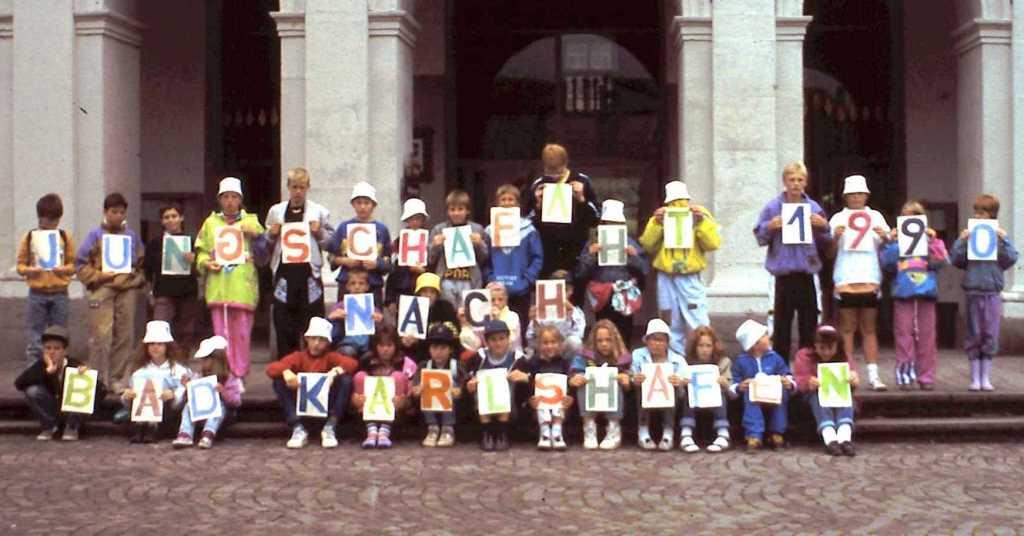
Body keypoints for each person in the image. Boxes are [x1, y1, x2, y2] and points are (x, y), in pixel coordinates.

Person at [753, 161, 831, 362]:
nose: (796, 184)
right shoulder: (772, 207)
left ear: (805, 182)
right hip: (783, 276)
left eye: (800, 180)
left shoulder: (813, 207)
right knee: (781, 325)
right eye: (792, 180)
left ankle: (806, 365)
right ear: (784, 182)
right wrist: (770, 226)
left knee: (809, 324)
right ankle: (780, 368)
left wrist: (824, 227)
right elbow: (760, 237)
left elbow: (826, 244)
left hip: (806, 274)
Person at [194, 177, 265, 380]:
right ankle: (223, 374)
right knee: (221, 335)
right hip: (218, 287)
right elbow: (202, 252)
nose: (230, 201)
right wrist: (206, 263)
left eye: (234, 197)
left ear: (240, 199)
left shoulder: (250, 220)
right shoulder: (210, 223)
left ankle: (240, 374)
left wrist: (254, 232)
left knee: (242, 334)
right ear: (219, 199)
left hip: (242, 287)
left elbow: (264, 243)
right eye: (226, 197)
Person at [639, 181, 721, 356]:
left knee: (696, 318)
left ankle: (702, 357)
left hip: (689, 276)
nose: (678, 205)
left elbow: (713, 243)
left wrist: (700, 223)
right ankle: (677, 357)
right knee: (670, 319)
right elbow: (647, 244)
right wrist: (657, 224)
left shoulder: (700, 214)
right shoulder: (661, 217)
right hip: (666, 276)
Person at [76, 192, 146, 393]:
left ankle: (116, 378)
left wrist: (136, 278)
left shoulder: (132, 237)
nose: (118, 216)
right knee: (101, 335)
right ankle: (98, 379)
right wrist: (99, 275)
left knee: (124, 335)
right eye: (114, 212)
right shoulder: (94, 236)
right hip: (102, 289)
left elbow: (141, 263)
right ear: (105, 212)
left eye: (122, 212)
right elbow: (81, 264)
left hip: (127, 289)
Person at [262, 167, 335, 358]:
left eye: (302, 187)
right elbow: (265, 244)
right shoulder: (276, 211)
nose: (298, 192)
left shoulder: (319, 211)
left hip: (309, 275)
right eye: (294, 187)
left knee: (313, 322)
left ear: (308, 187)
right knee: (284, 323)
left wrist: (319, 232)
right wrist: (271, 234)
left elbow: (332, 243)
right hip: (284, 275)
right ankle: (287, 367)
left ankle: (314, 367)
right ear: (288, 187)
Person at [951, 194, 1019, 391]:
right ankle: (975, 377)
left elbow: (1011, 258)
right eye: (977, 213)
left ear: (992, 215)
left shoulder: (997, 238)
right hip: (973, 290)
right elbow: (956, 260)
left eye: (984, 213)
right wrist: (961, 241)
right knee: (974, 332)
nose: (979, 217)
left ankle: (985, 376)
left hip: (992, 291)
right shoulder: (970, 236)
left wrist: (1004, 239)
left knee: (990, 332)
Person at [829, 175, 890, 391]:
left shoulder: (876, 217)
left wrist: (885, 237)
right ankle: (847, 373)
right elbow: (829, 253)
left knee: (869, 328)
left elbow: (888, 249)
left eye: (860, 193)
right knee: (846, 328)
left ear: (866, 195)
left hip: (870, 277)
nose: (856, 197)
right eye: (852, 194)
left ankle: (873, 375)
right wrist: (835, 238)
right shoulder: (837, 218)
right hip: (845, 277)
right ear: (846, 196)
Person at [880, 200, 949, 390]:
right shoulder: (896, 242)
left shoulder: (930, 241)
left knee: (927, 336)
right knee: (904, 335)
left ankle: (926, 377)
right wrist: (892, 242)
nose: (910, 220)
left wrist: (933, 241)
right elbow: (886, 263)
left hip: (926, 292)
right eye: (906, 216)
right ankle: (905, 376)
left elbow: (942, 262)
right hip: (903, 292)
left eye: (915, 216)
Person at [265, 317, 359, 449]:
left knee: (346, 380)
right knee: (278, 381)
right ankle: (297, 427)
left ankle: (330, 426)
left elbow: (352, 363)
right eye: (313, 338)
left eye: (321, 340)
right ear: (307, 339)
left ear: (327, 343)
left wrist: (335, 371)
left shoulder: (330, 357)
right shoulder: (298, 357)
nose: (316, 343)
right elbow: (271, 368)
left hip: (326, 405)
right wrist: (286, 372)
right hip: (302, 405)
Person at [576, 199, 649, 344]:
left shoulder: (630, 243)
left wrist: (633, 257)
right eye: (608, 223)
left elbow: (644, 270)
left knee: (624, 331)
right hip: (601, 295)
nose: (612, 226)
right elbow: (580, 273)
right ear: (602, 224)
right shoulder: (593, 243)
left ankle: (624, 362)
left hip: (624, 295)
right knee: (603, 331)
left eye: (616, 223)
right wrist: (591, 256)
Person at [522, 144, 599, 281]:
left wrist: (582, 199)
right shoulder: (538, 184)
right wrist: (538, 205)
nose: (555, 176)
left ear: (566, 163)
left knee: (575, 298)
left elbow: (595, 219)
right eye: (550, 172)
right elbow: (525, 223)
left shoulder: (582, 181)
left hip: (576, 252)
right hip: (547, 253)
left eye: (558, 171)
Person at [14, 326, 105, 441]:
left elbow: (101, 389)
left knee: (83, 386)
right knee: (32, 391)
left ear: (65, 351)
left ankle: (72, 427)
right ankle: (49, 426)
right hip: (52, 409)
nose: (52, 352)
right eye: (48, 348)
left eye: (57, 348)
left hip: (71, 413)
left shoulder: (74, 364)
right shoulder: (41, 365)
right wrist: (46, 372)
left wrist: (87, 375)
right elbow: (19, 383)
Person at [16, 194, 76, 367]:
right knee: (35, 335)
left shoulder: (64, 237)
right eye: (49, 220)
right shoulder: (29, 237)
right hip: (37, 292)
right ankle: (35, 370)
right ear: (40, 217)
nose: (53, 224)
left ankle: (59, 369)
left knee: (60, 333)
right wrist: (30, 270)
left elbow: (73, 265)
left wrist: (63, 269)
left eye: (56, 220)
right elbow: (20, 265)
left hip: (60, 293)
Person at [143, 202, 202, 352]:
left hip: (187, 293)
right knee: (161, 331)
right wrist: (150, 293)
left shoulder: (192, 241)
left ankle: (182, 366)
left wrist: (194, 261)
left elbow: (201, 269)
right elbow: (147, 271)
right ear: (162, 221)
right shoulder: (155, 244)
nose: (170, 220)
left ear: (181, 218)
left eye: (174, 216)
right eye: (166, 217)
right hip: (163, 293)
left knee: (186, 333)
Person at [119, 321, 190, 444]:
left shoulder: (178, 370)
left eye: (160, 344)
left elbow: (184, 392)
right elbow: (130, 399)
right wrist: (126, 396)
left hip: (167, 415)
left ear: (167, 346)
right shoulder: (139, 372)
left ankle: (154, 430)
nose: (155, 347)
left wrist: (174, 395)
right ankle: (139, 429)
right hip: (140, 415)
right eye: (151, 344)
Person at [793, 325, 859, 456]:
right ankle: (829, 438)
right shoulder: (803, 356)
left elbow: (853, 375)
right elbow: (798, 380)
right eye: (822, 348)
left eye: (830, 348)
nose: (826, 352)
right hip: (811, 398)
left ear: (837, 346)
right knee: (818, 397)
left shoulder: (844, 356)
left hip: (839, 395)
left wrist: (853, 379)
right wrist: (808, 382)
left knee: (847, 398)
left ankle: (845, 437)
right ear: (815, 345)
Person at [464, 320, 529, 451]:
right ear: (487, 342)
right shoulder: (478, 358)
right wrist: (470, 385)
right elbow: (467, 378)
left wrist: (525, 378)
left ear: (508, 339)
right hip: (482, 408)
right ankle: (486, 433)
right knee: (481, 385)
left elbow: (530, 385)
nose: (498, 343)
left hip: (510, 408)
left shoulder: (518, 359)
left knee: (507, 386)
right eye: (493, 339)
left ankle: (502, 433)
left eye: (502, 338)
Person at [731, 319, 795, 452]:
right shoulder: (741, 361)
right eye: (765, 336)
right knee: (750, 393)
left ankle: (777, 432)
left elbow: (785, 372)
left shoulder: (774, 357)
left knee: (781, 393)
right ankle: (754, 434)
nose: (769, 337)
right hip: (753, 398)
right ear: (755, 344)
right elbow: (734, 381)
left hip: (773, 395)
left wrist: (787, 381)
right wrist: (739, 386)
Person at [485, 183, 543, 326]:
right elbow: (484, 259)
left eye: (511, 199)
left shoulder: (528, 230)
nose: (507, 203)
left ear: (518, 204)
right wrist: (491, 279)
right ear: (497, 204)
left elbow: (537, 258)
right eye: (503, 200)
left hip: (520, 291)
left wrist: (527, 280)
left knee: (520, 327)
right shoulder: (489, 231)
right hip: (496, 293)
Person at [568, 320, 631, 450]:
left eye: (608, 340)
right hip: (592, 396)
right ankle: (589, 427)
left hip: (614, 399)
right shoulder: (585, 356)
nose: (604, 344)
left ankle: (614, 428)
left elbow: (630, 377)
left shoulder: (622, 357)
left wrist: (626, 379)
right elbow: (574, 372)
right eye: (600, 340)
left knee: (616, 382)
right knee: (583, 382)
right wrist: (575, 378)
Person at [326, 181, 392, 304]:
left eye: (366, 203)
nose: (362, 207)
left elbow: (388, 263)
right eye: (359, 203)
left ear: (373, 205)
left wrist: (377, 264)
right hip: (347, 284)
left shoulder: (382, 230)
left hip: (373, 284)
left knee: (373, 320)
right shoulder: (343, 228)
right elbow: (331, 257)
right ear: (353, 204)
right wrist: (344, 261)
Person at [172, 335, 243, 449]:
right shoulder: (198, 377)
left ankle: (208, 434)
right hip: (200, 413)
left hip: (221, 417)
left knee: (220, 405)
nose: (203, 363)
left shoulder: (229, 379)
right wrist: (187, 388)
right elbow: (184, 400)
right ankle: (185, 434)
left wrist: (223, 392)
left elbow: (236, 401)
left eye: (206, 359)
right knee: (188, 406)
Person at [351, 328, 415, 449]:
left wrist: (404, 401)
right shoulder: (367, 361)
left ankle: (385, 431)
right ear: (376, 346)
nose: (385, 349)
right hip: (368, 411)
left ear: (396, 346)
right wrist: (355, 399)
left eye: (389, 345)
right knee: (360, 376)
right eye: (381, 345)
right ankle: (371, 431)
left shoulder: (406, 363)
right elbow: (356, 385)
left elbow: (412, 391)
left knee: (398, 376)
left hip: (397, 412)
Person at [630, 319, 687, 451]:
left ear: (667, 342)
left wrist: (678, 380)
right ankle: (643, 429)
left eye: (661, 340)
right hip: (646, 395)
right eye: (653, 339)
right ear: (647, 341)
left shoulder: (677, 359)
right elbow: (633, 373)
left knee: (671, 390)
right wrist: (636, 378)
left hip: (671, 396)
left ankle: (668, 430)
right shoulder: (638, 355)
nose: (657, 344)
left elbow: (686, 377)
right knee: (641, 389)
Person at [427, 189, 491, 307]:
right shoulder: (438, 229)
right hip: (446, 279)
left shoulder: (477, 229)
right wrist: (435, 246)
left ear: (468, 211)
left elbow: (484, 259)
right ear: (447, 211)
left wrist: (480, 244)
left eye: (460, 209)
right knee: (449, 313)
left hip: (470, 279)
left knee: (468, 314)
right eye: (452, 209)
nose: (456, 213)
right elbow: (430, 259)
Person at [677, 326, 734, 453]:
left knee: (720, 394)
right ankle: (686, 433)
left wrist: (725, 383)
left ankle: (723, 433)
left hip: (715, 400)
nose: (704, 350)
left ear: (714, 346)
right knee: (688, 394)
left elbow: (732, 392)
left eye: (708, 346)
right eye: (700, 346)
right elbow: (679, 393)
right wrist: (683, 383)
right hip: (695, 400)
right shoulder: (687, 364)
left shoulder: (723, 362)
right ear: (694, 347)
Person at [522, 325, 575, 450]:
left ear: (560, 344)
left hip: (559, 404)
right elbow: (529, 384)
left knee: (560, 404)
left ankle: (557, 432)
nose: (549, 346)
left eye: (553, 342)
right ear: (539, 345)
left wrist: (569, 397)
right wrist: (531, 399)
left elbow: (569, 382)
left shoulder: (564, 363)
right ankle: (545, 433)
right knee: (541, 404)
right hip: (539, 406)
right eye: (545, 343)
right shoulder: (533, 363)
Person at [411, 324, 464, 448]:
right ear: (429, 349)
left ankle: (447, 429)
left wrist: (459, 390)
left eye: (443, 348)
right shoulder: (424, 365)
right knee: (426, 384)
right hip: (430, 405)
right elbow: (416, 384)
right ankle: (432, 428)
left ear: (450, 349)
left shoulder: (456, 365)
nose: (438, 352)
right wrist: (417, 389)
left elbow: (465, 381)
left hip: (452, 406)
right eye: (435, 348)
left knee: (452, 383)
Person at [385, 198, 430, 315]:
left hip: (423, 289)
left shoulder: (429, 241)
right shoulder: (398, 243)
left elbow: (434, 266)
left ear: (423, 220)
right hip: (402, 290)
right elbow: (392, 272)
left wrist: (424, 271)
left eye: (418, 218)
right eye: (411, 219)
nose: (415, 222)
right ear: (406, 220)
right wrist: (390, 300)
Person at [525, 269, 586, 355]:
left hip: (564, 351)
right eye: (557, 289)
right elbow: (530, 340)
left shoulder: (577, 312)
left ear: (571, 290)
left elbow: (579, 335)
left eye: (564, 290)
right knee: (528, 352)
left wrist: (571, 314)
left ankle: (572, 368)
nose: (560, 294)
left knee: (575, 342)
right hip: (543, 349)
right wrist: (534, 322)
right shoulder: (538, 310)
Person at [327, 268, 385, 358]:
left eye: (361, 283)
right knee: (348, 352)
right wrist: (332, 317)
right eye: (353, 283)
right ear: (347, 286)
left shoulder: (372, 308)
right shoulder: (339, 306)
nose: (357, 287)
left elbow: (382, 330)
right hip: (346, 344)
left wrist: (380, 321)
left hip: (367, 346)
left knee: (370, 355)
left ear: (367, 287)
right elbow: (328, 329)